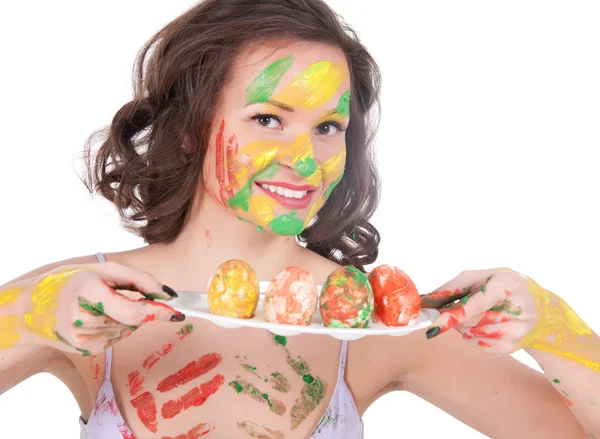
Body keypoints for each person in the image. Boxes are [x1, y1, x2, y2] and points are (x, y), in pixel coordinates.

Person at [1, 0, 598, 438]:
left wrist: (549, 321)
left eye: (327, 128)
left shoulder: (366, 326)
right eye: (267, 119)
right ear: (188, 128)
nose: (303, 157)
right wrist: (28, 319)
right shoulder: (85, 297)